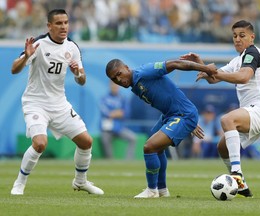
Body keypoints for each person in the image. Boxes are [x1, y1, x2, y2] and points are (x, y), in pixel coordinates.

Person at [10, 9, 104, 195]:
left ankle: (80, 181)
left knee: (86, 141)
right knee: (40, 143)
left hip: (59, 104)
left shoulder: (72, 48)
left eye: (66, 23)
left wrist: (78, 72)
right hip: (35, 102)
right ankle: (19, 183)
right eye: (59, 23)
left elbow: (82, 80)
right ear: (49, 26)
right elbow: (14, 69)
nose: (64, 27)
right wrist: (27, 56)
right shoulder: (39, 44)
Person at [181, 20, 260, 198]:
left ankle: (236, 174)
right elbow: (214, 79)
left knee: (226, 120)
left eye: (242, 35)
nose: (237, 39)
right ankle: (242, 186)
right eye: (234, 36)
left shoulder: (252, 53)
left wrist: (213, 71)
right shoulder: (237, 60)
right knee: (222, 147)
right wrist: (202, 65)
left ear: (252, 37)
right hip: (251, 111)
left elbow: (243, 77)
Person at [105, 58, 217, 198]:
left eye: (119, 74)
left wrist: (205, 68)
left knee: (149, 147)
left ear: (127, 68)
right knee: (155, 146)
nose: (119, 80)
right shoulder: (133, 84)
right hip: (171, 115)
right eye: (114, 79)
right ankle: (162, 189)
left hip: (182, 115)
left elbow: (175, 63)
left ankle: (152, 190)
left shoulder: (144, 72)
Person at [99, 81, 137, 159]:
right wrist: (118, 112)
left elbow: (126, 113)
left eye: (116, 85)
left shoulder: (122, 98)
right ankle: (110, 161)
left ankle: (128, 161)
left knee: (133, 138)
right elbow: (106, 113)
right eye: (113, 85)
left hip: (119, 128)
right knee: (105, 140)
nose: (114, 87)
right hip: (107, 129)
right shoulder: (104, 98)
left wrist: (114, 113)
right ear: (110, 86)